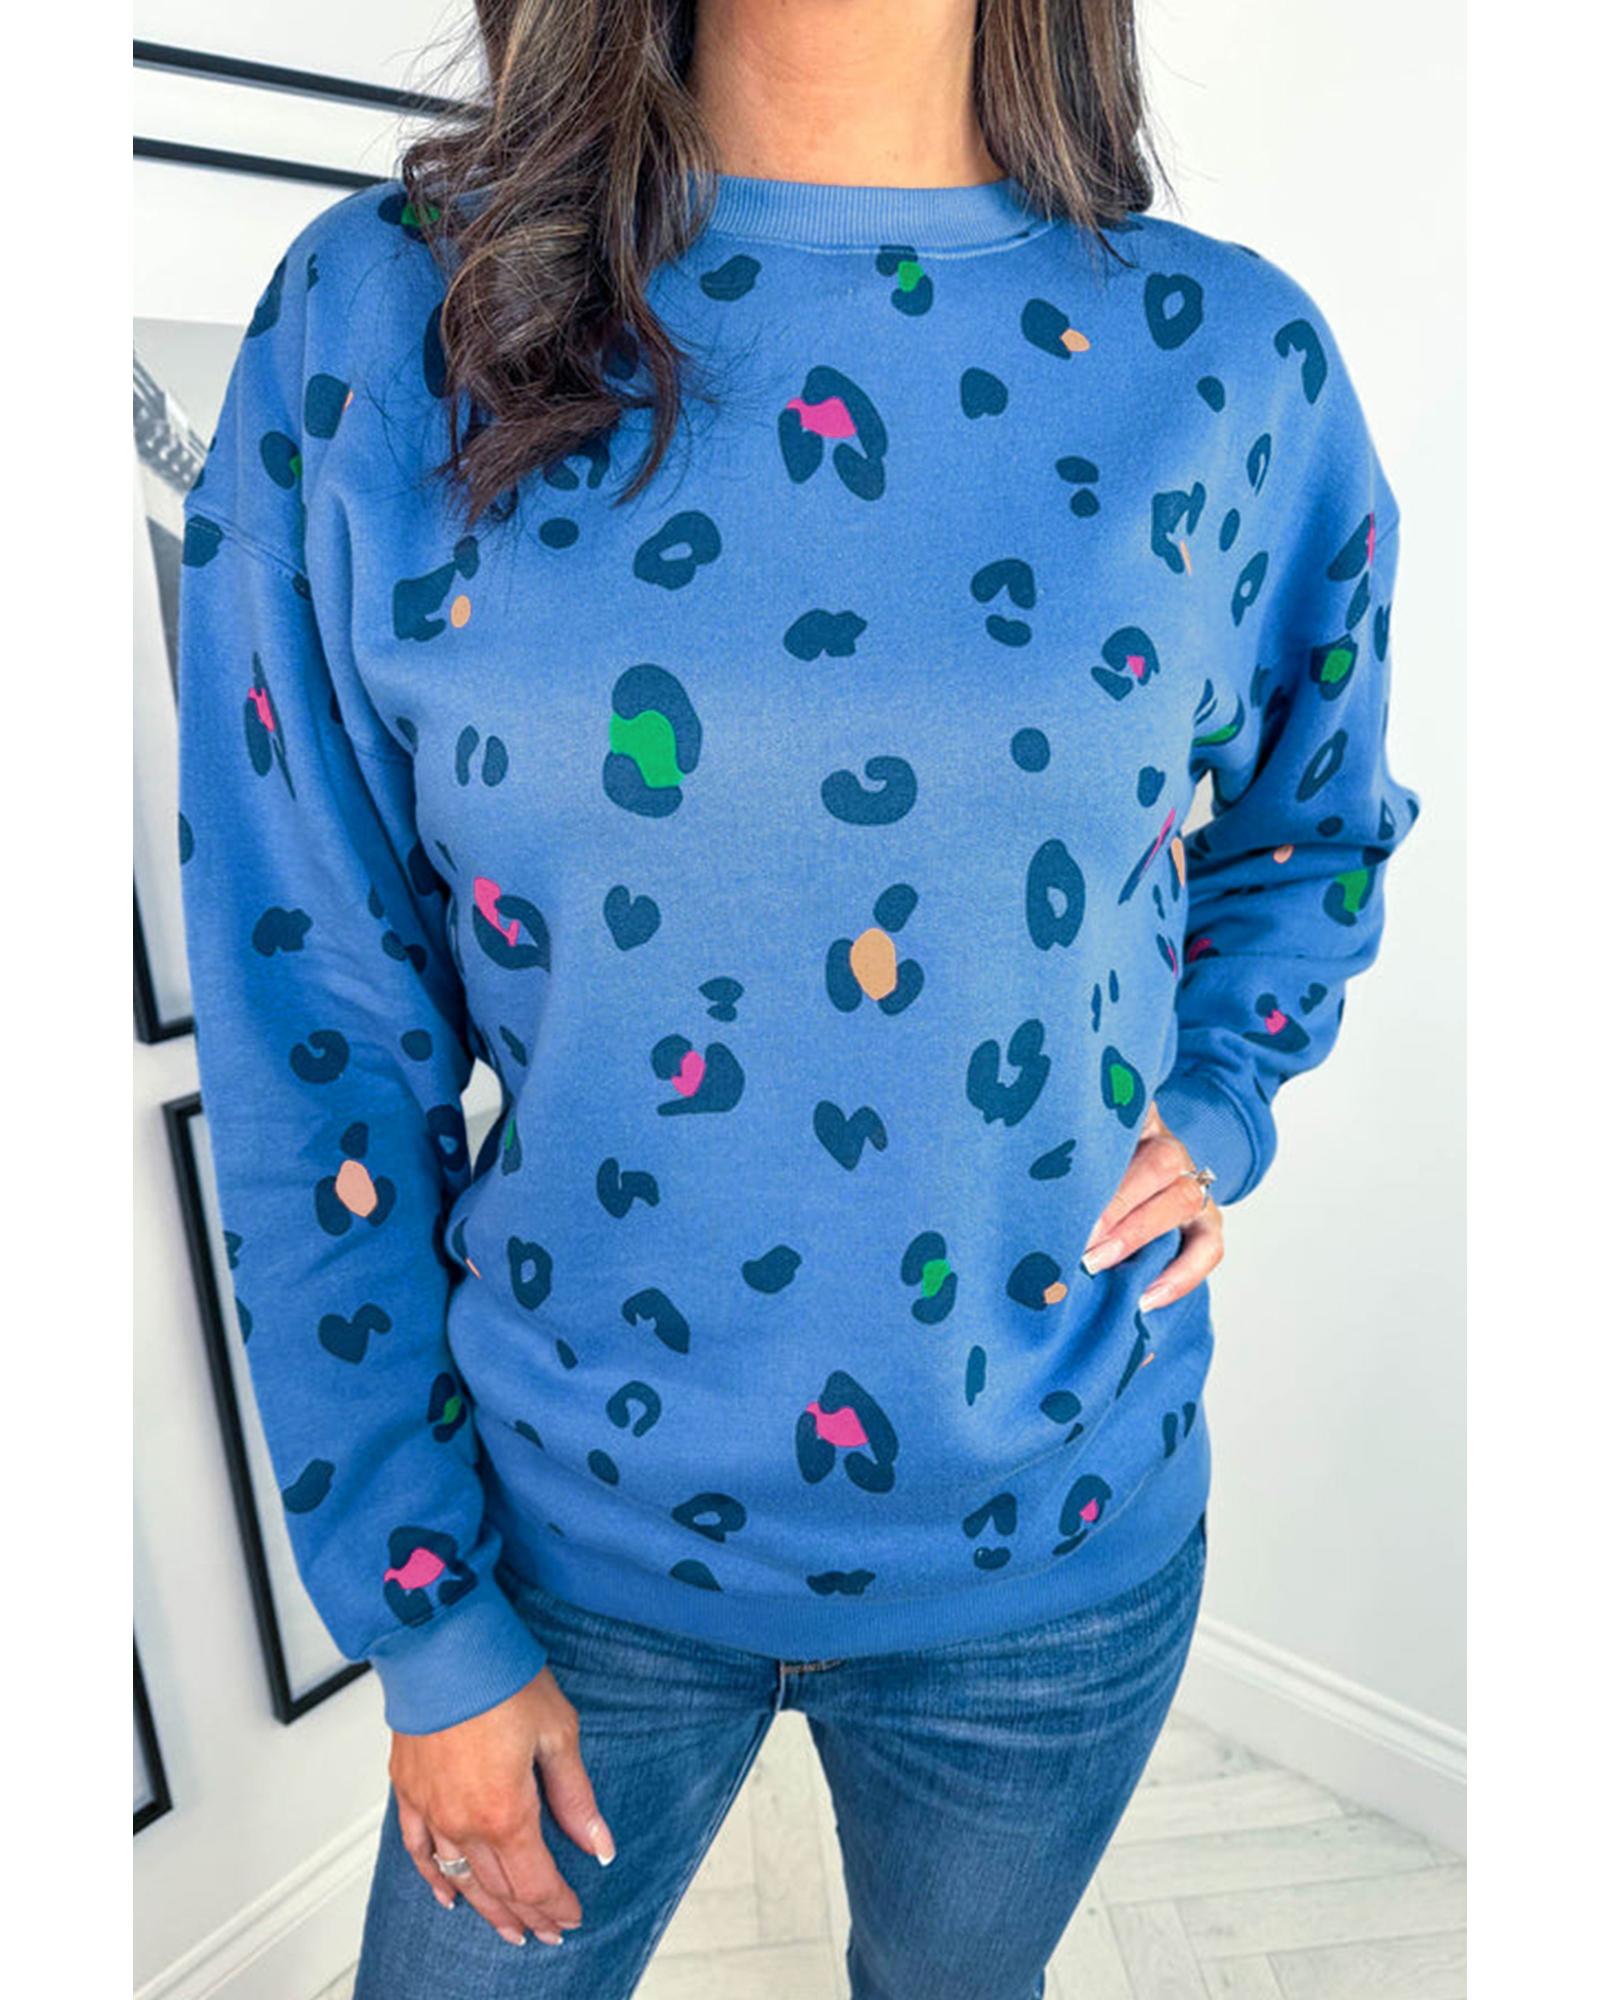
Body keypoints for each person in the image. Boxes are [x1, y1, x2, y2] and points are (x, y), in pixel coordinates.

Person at [174, 2, 1420, 1993]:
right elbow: (308, 1012)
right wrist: (423, 1611)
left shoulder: (1223, 359)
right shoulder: (385, 324)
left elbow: (1313, 824)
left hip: (1050, 1543)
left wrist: (1217, 1095)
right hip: (557, 1539)